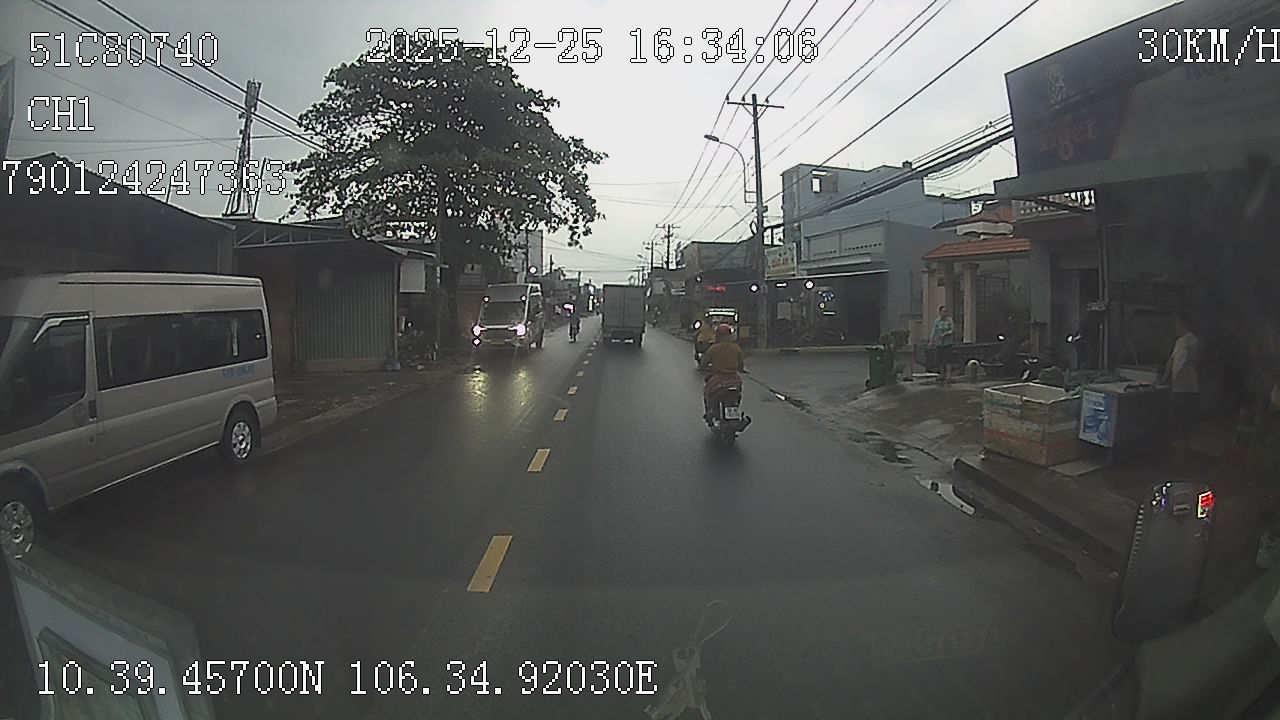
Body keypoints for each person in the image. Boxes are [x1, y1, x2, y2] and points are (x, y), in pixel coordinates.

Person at [1160, 312, 1201, 460]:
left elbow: (1196, 362)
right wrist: (1164, 379)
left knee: (1184, 418)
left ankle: (1183, 450)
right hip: (1177, 387)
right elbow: (1171, 361)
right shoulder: (1179, 341)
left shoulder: (1192, 341)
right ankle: (1178, 447)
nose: (1175, 327)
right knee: (1177, 417)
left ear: (1183, 324)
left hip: (1188, 387)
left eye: (1177, 323)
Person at [700, 323, 745, 421]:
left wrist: (704, 368)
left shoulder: (713, 348)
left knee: (707, 393)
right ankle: (735, 410)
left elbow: (703, 363)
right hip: (734, 379)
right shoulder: (736, 348)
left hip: (718, 379)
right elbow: (741, 364)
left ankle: (710, 412)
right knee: (737, 394)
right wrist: (740, 369)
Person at [932, 305, 956, 382]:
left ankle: (948, 376)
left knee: (948, 360)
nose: (945, 313)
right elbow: (934, 331)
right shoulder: (937, 321)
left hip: (948, 343)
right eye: (944, 311)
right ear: (940, 312)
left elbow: (953, 330)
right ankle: (942, 374)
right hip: (939, 344)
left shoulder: (949, 320)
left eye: (946, 311)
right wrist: (932, 341)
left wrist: (946, 334)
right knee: (940, 360)